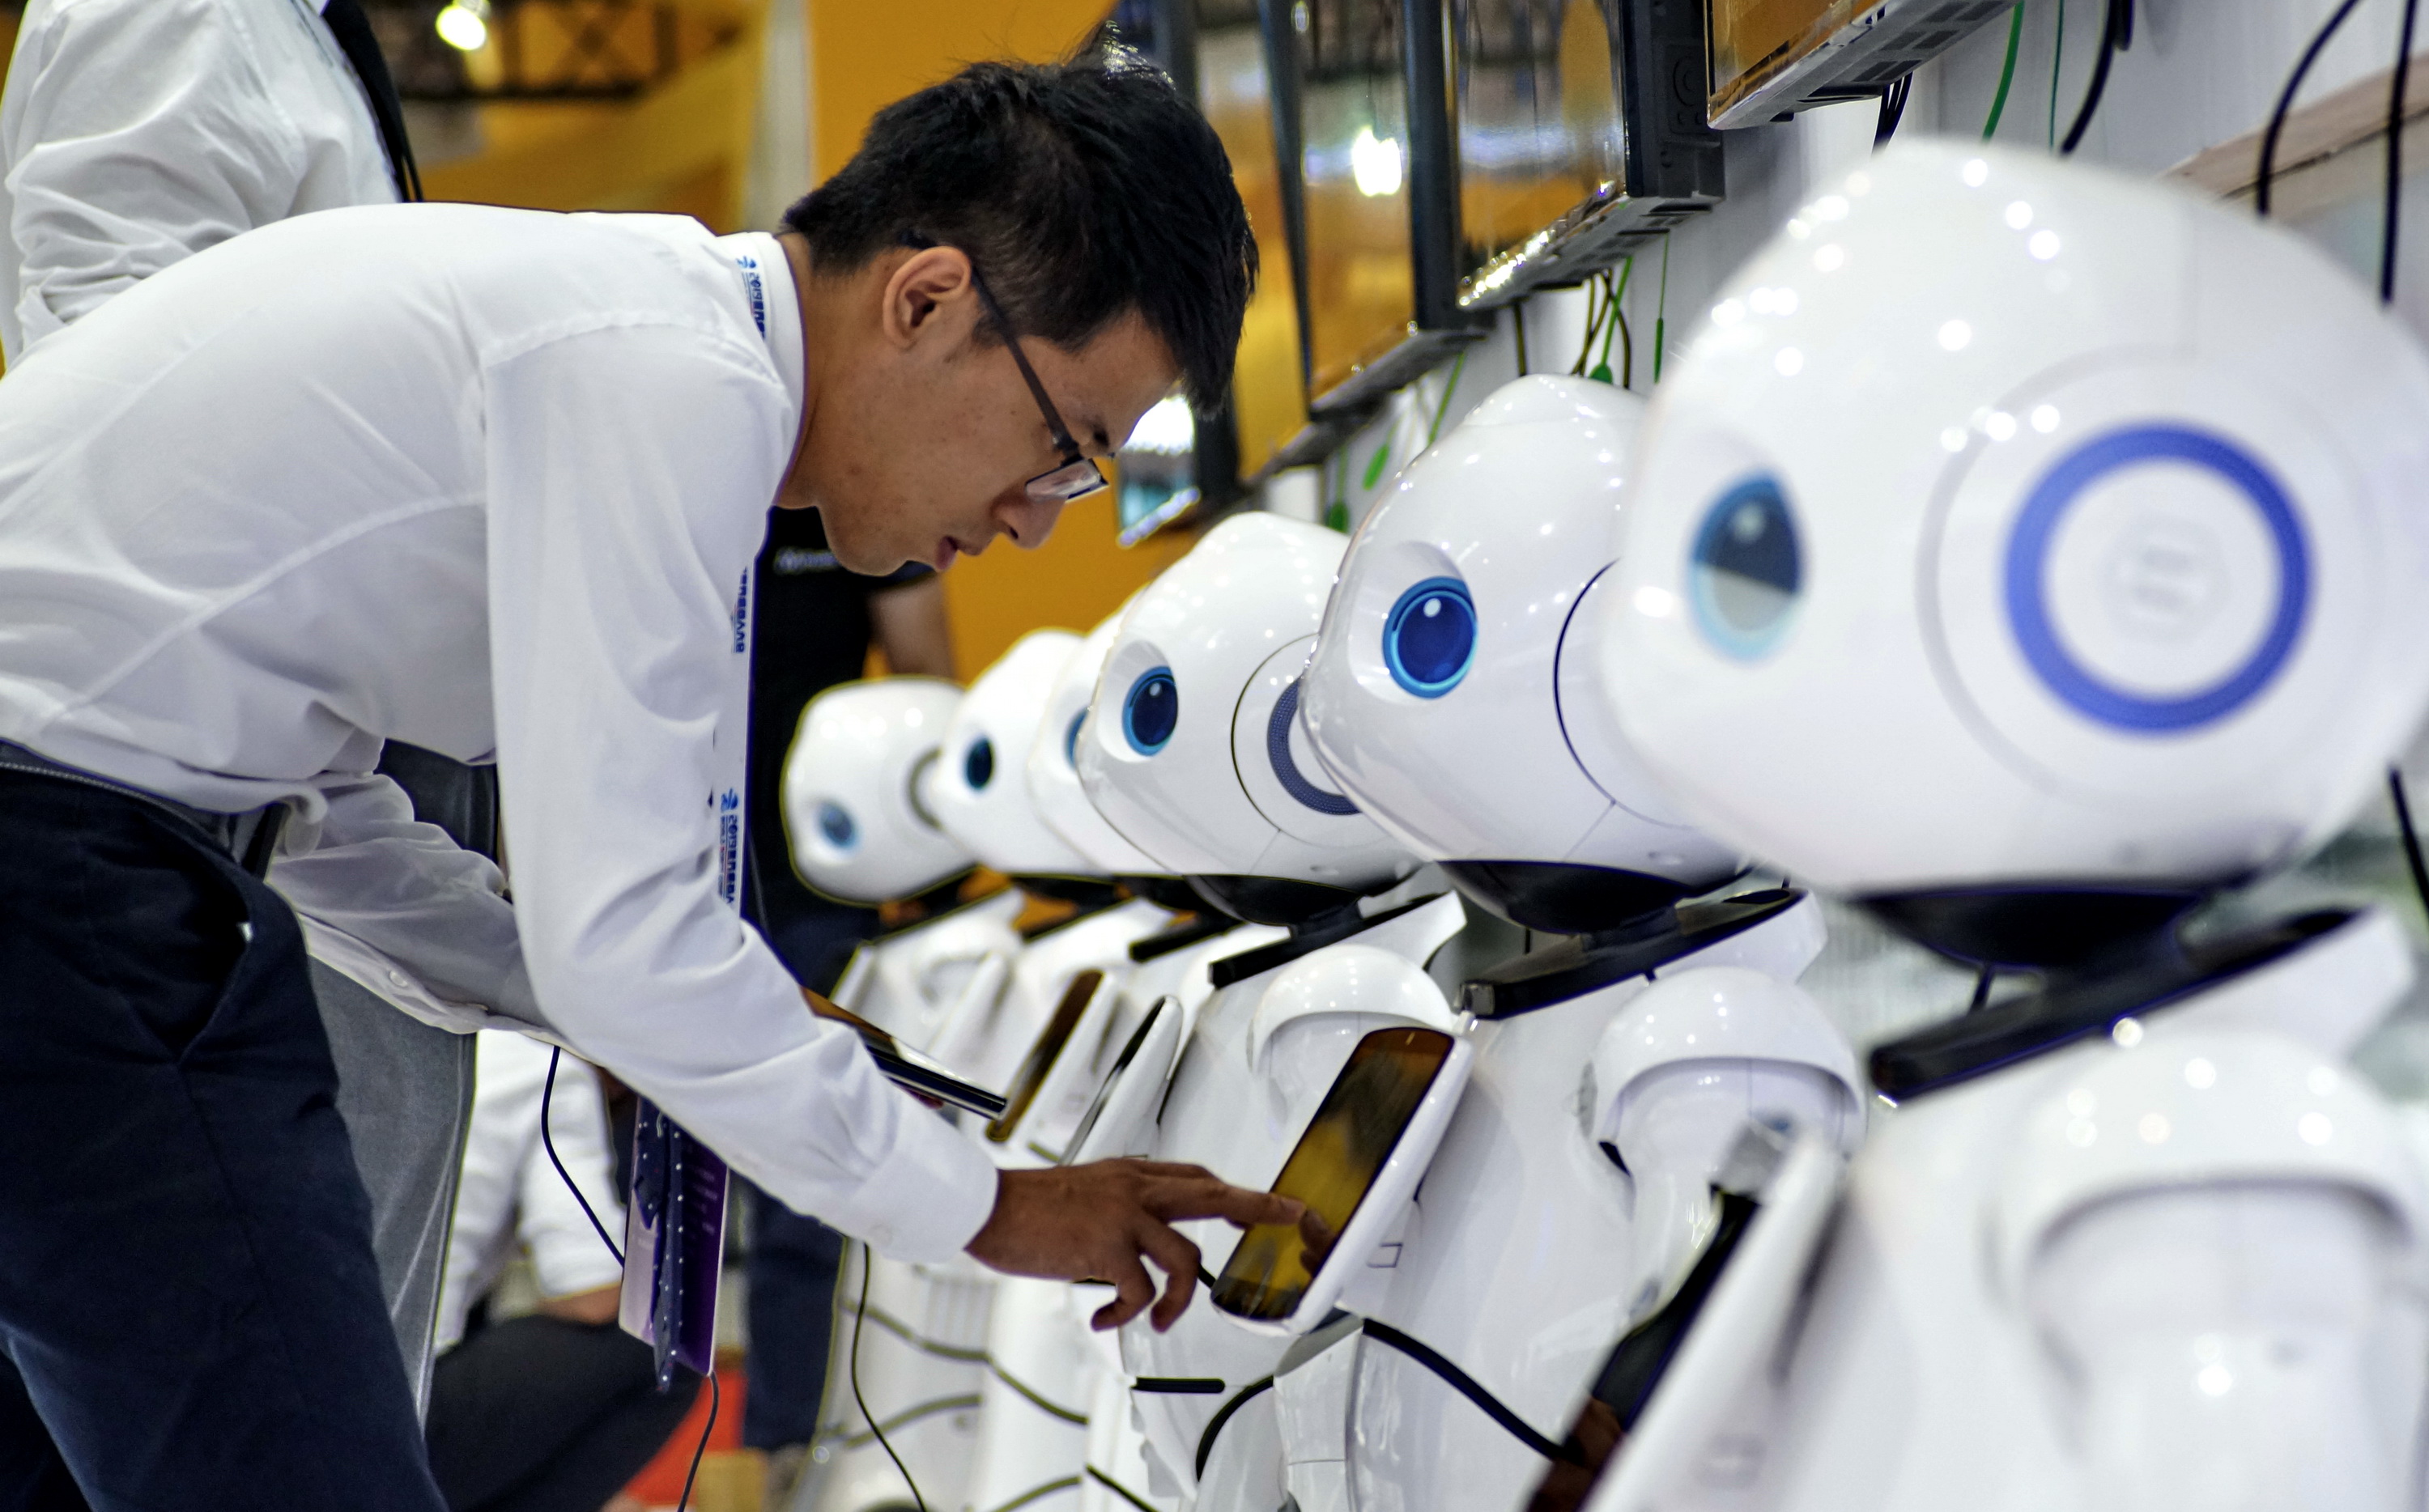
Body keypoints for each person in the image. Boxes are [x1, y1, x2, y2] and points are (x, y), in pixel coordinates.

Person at [0, 52, 1294, 1511]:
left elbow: (317, 814)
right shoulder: (672, 377)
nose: (1035, 521)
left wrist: (713, 1010)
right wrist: (994, 1207)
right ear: (926, 299)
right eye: (1066, 448)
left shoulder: (636, 328)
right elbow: (620, 940)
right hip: (65, 887)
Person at [0, 0, 495, 1415]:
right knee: (278, 1382)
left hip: (299, 757)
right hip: (223, 785)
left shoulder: (294, 27)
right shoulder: (180, 5)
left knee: (321, 1363)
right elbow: (121, 380)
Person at [741, 508, 954, 1506]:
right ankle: (764, 1430)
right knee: (679, 1167)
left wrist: (933, 864)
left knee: (808, 1163)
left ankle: (800, 1438)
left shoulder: (866, 492)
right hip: (687, 866)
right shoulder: (683, 475)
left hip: (827, 881)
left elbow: (927, 680)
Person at [423, 1033, 700, 1512]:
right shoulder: (548, 1071)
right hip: (386, 1420)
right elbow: (594, 1292)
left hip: (290, 1410)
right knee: (667, 1337)